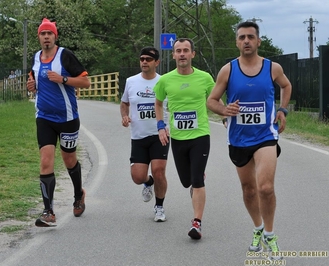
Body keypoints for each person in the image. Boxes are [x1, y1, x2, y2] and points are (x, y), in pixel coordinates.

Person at [206, 21, 292, 260]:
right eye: (242, 37)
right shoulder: (228, 70)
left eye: (250, 37)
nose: (246, 41)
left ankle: (271, 236)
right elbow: (211, 101)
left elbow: (286, 85)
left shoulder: (272, 67)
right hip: (238, 138)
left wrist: (283, 110)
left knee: (265, 188)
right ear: (236, 42)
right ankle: (258, 228)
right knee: (249, 189)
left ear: (258, 41)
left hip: (266, 136)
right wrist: (225, 111)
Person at [26, 18, 91, 227]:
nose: (46, 37)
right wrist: (31, 86)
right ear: (38, 37)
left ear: (55, 36)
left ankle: (78, 195)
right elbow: (33, 81)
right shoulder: (36, 57)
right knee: (46, 161)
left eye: (49, 34)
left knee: (69, 159)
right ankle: (48, 211)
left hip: (67, 118)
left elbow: (85, 81)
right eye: (43, 34)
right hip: (44, 117)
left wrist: (63, 79)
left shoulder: (65, 55)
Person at [154, 38, 218, 239]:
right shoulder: (165, 80)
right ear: (173, 55)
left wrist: (225, 116)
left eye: (185, 50)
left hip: (200, 135)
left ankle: (196, 223)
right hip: (178, 138)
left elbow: (215, 100)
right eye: (178, 51)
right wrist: (161, 126)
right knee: (185, 181)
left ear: (193, 54)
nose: (182, 54)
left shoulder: (205, 78)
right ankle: (196, 178)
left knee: (197, 180)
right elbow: (158, 103)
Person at [120, 47, 169, 222]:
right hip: (138, 136)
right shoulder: (131, 81)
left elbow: (173, 105)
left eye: (149, 59)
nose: (144, 62)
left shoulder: (165, 81)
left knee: (159, 171)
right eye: (142, 59)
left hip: (160, 134)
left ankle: (159, 207)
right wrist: (125, 116)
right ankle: (148, 183)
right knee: (138, 177)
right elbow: (124, 103)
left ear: (157, 62)